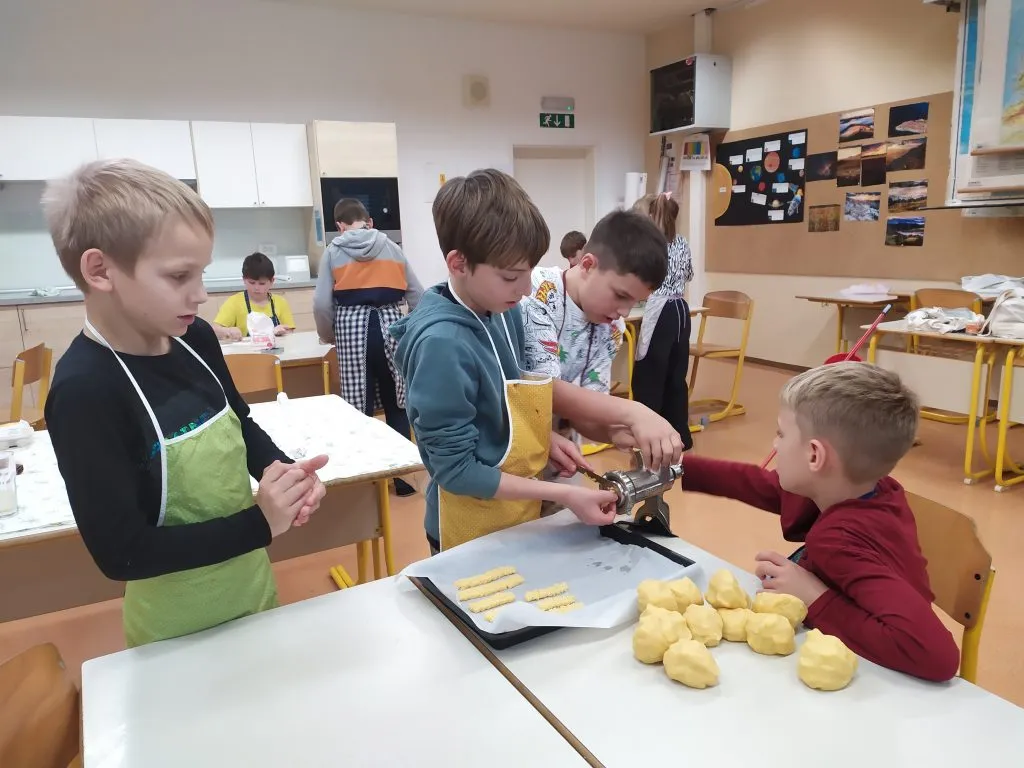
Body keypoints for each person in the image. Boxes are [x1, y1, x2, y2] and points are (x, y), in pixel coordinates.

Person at [42, 159, 328, 648]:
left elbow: (238, 420)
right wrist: (260, 522)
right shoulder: (84, 390)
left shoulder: (195, 338)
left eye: (201, 273)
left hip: (252, 590)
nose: (200, 295)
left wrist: (283, 474)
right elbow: (123, 552)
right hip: (171, 632)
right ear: (100, 270)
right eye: (179, 276)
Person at [390, 169, 684, 554]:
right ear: (459, 263)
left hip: (514, 515)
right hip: (466, 530)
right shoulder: (441, 345)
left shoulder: (502, 308)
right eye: (512, 275)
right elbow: (456, 471)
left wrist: (545, 439)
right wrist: (564, 494)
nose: (528, 288)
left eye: (530, 271)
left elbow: (503, 404)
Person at [681, 362, 960, 682]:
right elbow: (767, 486)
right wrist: (680, 468)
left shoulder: (839, 542)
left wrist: (813, 595)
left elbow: (937, 657)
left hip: (877, 678)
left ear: (815, 456)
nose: (774, 445)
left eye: (781, 434)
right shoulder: (867, 487)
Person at [522, 210, 667, 442]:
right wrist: (633, 412)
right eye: (621, 295)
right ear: (588, 265)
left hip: (561, 451)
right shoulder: (538, 291)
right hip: (516, 447)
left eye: (635, 302)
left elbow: (587, 412)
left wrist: (616, 433)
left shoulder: (612, 327)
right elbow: (546, 390)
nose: (625, 312)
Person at [314, 198, 423, 497]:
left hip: (351, 328)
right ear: (369, 221)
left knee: (358, 408)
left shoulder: (333, 252)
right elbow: (417, 294)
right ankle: (402, 481)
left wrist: (329, 335)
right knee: (396, 404)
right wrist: (411, 329)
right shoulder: (392, 247)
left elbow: (321, 304)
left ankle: (364, 485)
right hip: (390, 326)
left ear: (339, 226)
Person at [631, 193, 694, 449]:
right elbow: (689, 274)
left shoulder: (652, 246)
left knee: (650, 374)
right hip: (681, 310)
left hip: (659, 311)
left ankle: (648, 434)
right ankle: (680, 435)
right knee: (676, 376)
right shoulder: (682, 242)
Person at [213, 251, 296, 341]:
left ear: (272, 281)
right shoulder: (234, 302)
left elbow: (290, 332)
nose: (256, 288)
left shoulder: (280, 302)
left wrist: (282, 331)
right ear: (244, 280)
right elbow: (214, 330)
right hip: (246, 349)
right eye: (252, 283)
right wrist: (227, 331)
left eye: (262, 283)